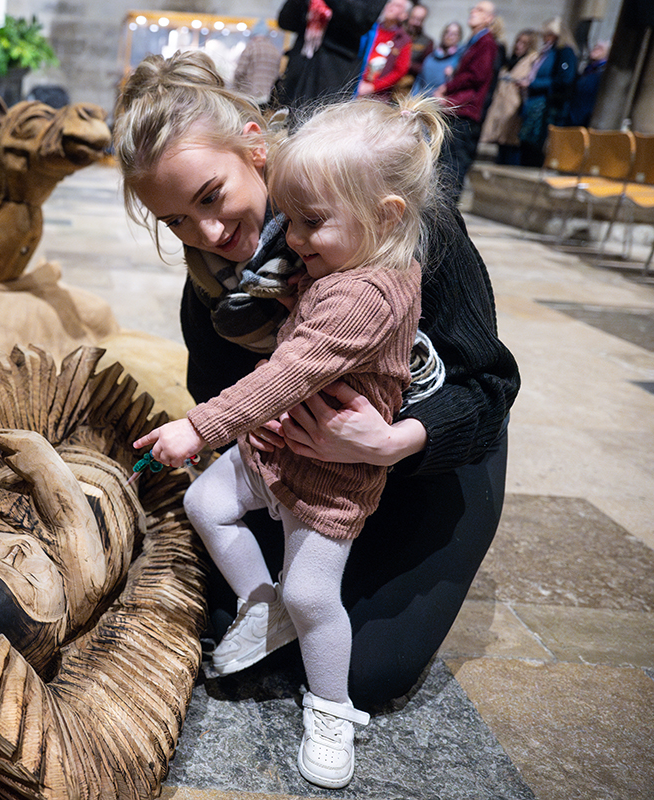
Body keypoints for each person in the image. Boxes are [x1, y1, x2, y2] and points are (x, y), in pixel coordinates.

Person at [111, 45, 519, 755]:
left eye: (210, 197)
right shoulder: (214, 292)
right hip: (295, 460)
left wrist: (392, 442)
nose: (207, 236)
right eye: (175, 220)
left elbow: (490, 383)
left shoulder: (394, 221)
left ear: (255, 147)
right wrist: (253, 441)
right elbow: (228, 396)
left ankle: (331, 702)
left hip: (431, 441)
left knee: (366, 669)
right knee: (218, 601)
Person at [435, 1, 501, 203]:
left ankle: (447, 212)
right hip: (458, 106)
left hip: (466, 110)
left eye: (480, 10)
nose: (473, 12)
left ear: (489, 19)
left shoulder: (486, 42)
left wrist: (448, 87)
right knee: (445, 162)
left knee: (454, 164)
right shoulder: (474, 40)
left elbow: (476, 75)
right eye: (473, 8)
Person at [274, 0, 385, 108]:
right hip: (299, 66)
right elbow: (285, 22)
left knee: (322, 120)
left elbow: (360, 19)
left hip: (334, 69)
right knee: (286, 118)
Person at [518, 17, 578, 167]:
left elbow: (564, 79)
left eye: (547, 34)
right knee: (527, 145)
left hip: (547, 105)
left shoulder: (565, 52)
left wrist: (533, 84)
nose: (544, 38)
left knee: (536, 147)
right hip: (534, 102)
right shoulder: (547, 52)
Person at [480, 29, 540, 165]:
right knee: (500, 143)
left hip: (515, 108)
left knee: (511, 143)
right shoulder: (509, 61)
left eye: (524, 43)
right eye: (518, 41)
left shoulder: (532, 60)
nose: (519, 45)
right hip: (500, 105)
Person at [356, 0, 414, 99]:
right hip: (355, 83)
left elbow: (400, 71)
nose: (390, 6)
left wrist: (373, 87)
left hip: (376, 95)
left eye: (397, 6)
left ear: (404, 15)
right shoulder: (370, 28)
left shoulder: (403, 39)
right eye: (389, 2)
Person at [562, 40, 609, 127]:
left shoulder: (603, 73)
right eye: (595, 47)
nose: (595, 49)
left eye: (600, 48)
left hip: (585, 120)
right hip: (572, 116)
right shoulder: (588, 70)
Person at [412, 21, 464, 96]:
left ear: (459, 37)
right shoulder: (430, 58)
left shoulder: (460, 59)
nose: (449, 35)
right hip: (423, 100)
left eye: (454, 34)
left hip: (441, 102)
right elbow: (419, 82)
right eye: (447, 32)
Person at [402, 2, 435, 94]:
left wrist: (405, 63)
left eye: (420, 20)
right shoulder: (398, 35)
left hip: (407, 89)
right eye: (414, 18)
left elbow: (426, 68)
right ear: (408, 16)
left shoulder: (427, 42)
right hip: (385, 85)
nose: (416, 23)